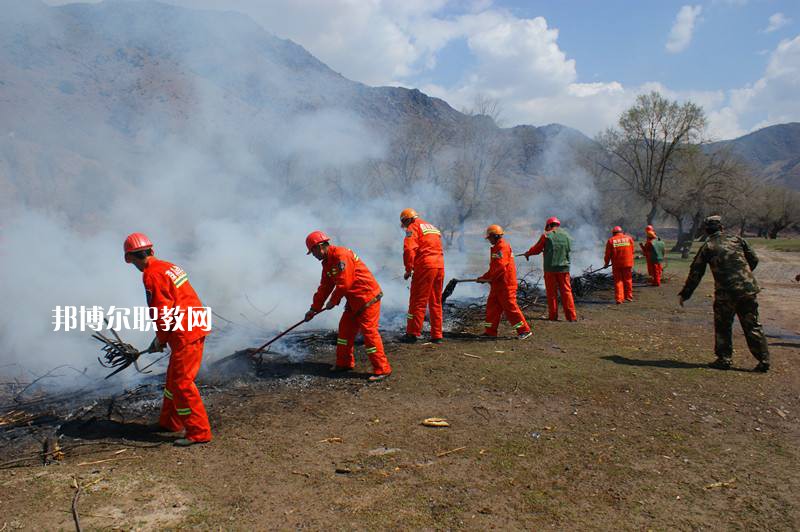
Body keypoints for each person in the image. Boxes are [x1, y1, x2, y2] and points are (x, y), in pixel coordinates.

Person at [124, 232, 212, 446]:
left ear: (130, 258)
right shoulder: (169, 266)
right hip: (193, 323)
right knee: (173, 380)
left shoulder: (151, 275)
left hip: (186, 331)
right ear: (151, 250)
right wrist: (162, 338)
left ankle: (199, 433)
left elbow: (161, 312)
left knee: (182, 384)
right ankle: (170, 423)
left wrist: (161, 339)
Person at [678, 216, 770, 372]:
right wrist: (743, 275)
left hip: (725, 293)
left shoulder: (708, 246)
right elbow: (753, 259)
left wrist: (685, 294)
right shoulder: (737, 240)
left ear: (707, 231)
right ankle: (764, 360)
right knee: (752, 324)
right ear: (721, 228)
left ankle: (724, 359)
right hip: (748, 290)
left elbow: (696, 272)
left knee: (723, 325)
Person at [303, 231, 392, 381]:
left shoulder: (341, 255)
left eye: (313, 252)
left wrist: (334, 301)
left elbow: (345, 283)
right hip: (354, 302)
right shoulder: (327, 263)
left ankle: (382, 369)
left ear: (320, 246)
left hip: (367, 298)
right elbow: (325, 287)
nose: (313, 255)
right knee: (344, 332)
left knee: (370, 335)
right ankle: (344, 363)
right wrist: (314, 309)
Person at [398, 208, 445, 344]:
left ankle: (412, 333)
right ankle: (437, 335)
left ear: (407, 220)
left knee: (418, 301)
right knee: (435, 301)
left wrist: (408, 269)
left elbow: (408, 249)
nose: (405, 227)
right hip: (439, 266)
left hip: (425, 266)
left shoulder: (413, 227)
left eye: (405, 224)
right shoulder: (431, 227)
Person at [477, 225, 532, 339]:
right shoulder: (497, 247)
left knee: (511, 309)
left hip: (506, 284)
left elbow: (500, 267)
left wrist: (489, 278)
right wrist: (484, 277)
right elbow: (494, 268)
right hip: (497, 284)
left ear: (495, 236)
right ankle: (490, 331)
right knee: (491, 308)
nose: (489, 240)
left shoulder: (502, 247)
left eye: (490, 238)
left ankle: (524, 330)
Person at [523, 216, 577, 321]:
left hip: (550, 269)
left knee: (551, 293)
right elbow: (569, 248)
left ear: (548, 225)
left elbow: (537, 249)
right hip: (564, 269)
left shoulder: (546, 235)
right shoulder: (567, 236)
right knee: (567, 292)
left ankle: (553, 316)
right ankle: (571, 317)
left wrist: (528, 253)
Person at [604, 226, 635, 304]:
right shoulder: (629, 238)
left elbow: (608, 254)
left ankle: (619, 299)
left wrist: (606, 264)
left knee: (618, 281)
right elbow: (632, 250)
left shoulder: (611, 240)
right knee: (628, 280)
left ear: (613, 233)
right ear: (621, 232)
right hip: (628, 263)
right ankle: (629, 296)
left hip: (617, 265)